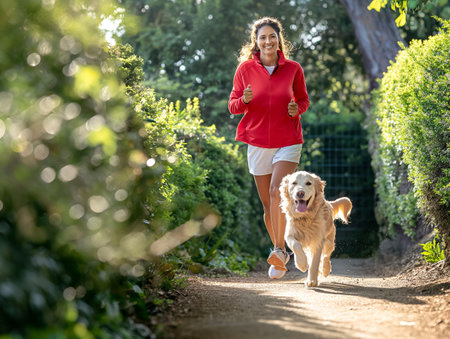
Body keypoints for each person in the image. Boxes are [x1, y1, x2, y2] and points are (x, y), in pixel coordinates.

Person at [228, 17, 309, 279]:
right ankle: (285, 250)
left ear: (278, 39)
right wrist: (244, 99)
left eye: (272, 36)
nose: (267, 41)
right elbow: (232, 106)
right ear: (256, 41)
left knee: (277, 192)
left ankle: (278, 250)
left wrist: (298, 109)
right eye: (262, 37)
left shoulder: (293, 69)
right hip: (257, 140)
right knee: (267, 205)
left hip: (288, 138)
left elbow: (304, 100)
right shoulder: (245, 70)